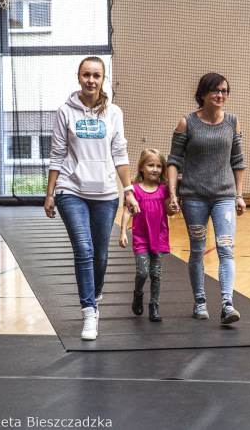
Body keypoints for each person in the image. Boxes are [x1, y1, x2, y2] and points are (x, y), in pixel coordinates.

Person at [44, 56, 140, 341]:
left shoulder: (114, 113)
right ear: (78, 77)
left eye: (96, 75)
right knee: (83, 249)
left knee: (100, 255)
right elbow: (57, 153)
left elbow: (120, 154)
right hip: (70, 190)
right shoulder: (65, 111)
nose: (91, 80)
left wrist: (129, 191)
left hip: (106, 194)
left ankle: (94, 293)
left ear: (103, 79)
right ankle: (89, 311)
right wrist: (50, 194)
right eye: (86, 74)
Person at [167, 72, 246, 325]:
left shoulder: (232, 122)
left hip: (224, 197)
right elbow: (174, 161)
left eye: (224, 91)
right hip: (194, 199)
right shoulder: (186, 123)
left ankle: (227, 304)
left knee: (225, 248)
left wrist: (239, 195)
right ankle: (199, 301)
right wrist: (172, 194)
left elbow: (238, 161)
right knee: (198, 250)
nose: (220, 95)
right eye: (215, 91)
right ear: (203, 94)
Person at [119, 148, 176, 322]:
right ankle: (138, 293)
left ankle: (154, 306)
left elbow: (168, 210)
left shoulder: (164, 189)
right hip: (141, 238)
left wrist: (173, 209)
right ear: (142, 167)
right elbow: (128, 212)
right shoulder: (134, 190)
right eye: (151, 165)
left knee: (156, 273)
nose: (155, 169)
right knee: (143, 273)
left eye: (159, 166)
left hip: (159, 237)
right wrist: (123, 231)